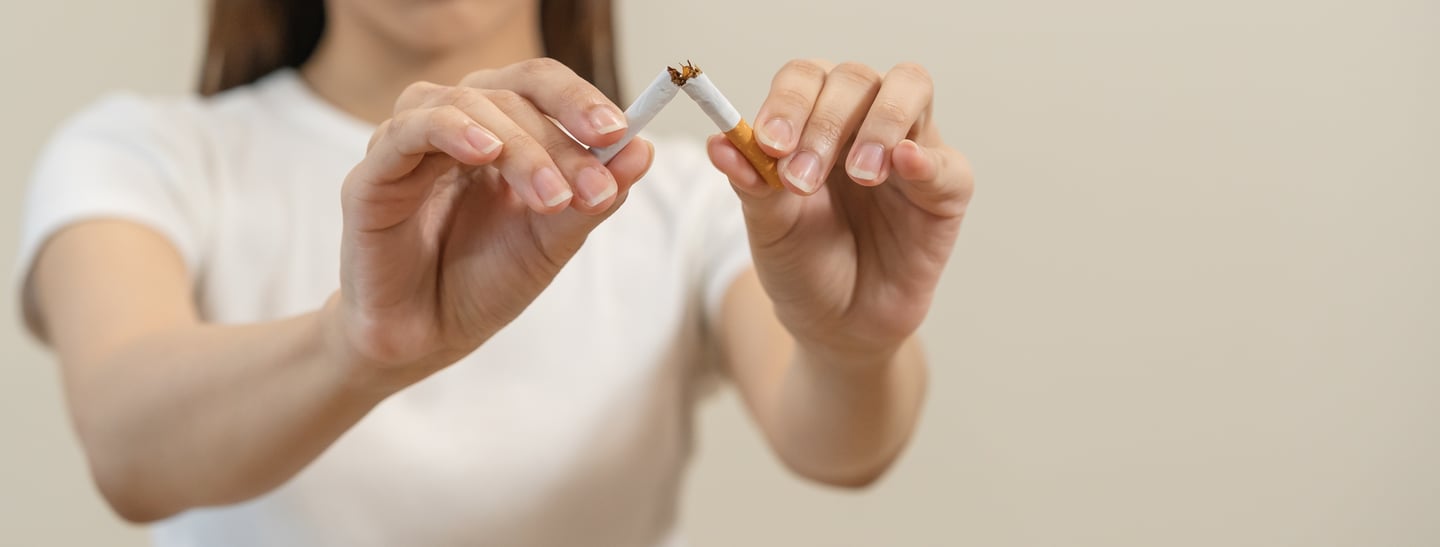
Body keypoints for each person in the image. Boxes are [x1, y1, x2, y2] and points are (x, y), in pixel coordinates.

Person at [16, 0, 973, 545]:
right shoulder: (144, 153)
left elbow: (839, 444)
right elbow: (130, 449)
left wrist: (852, 342)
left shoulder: (692, 198)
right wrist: (359, 345)